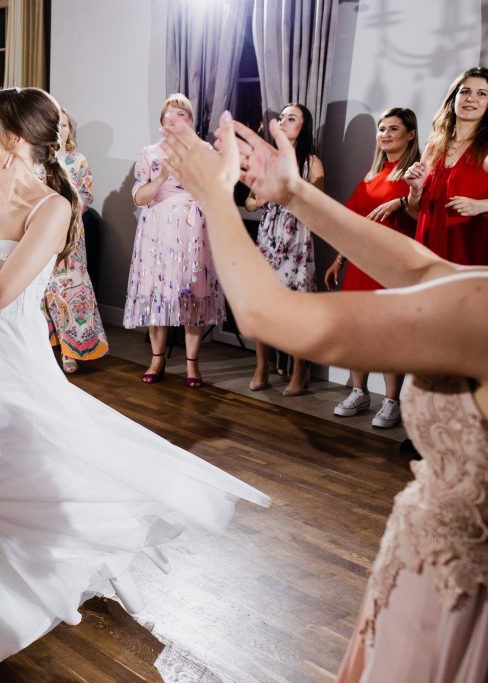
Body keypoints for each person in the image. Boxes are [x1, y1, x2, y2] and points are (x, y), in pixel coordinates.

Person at [0, 87, 270, 668]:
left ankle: (65, 562)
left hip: (9, 355)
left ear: (14, 139)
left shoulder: (51, 209)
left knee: (6, 478)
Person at [161, 107, 488, 683]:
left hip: (459, 604)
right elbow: (424, 270)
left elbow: (270, 315)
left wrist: (214, 196)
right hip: (429, 568)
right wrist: (294, 194)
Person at [324, 108, 420, 428]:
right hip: (360, 265)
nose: (385, 134)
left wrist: (403, 203)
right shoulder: (372, 175)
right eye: (382, 129)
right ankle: (359, 392)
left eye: (394, 129)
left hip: (393, 267)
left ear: (410, 134)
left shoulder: (416, 174)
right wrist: (339, 259)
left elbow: (424, 217)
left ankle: (391, 400)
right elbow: (354, 223)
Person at [124, 95, 223, 386]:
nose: (175, 118)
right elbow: (139, 198)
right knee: (156, 293)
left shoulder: (204, 151)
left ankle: (192, 364)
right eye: (170, 114)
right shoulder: (150, 153)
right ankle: (157, 359)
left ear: (190, 120)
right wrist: (161, 177)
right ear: (162, 121)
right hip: (157, 229)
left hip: (192, 229)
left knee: (193, 294)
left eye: (182, 114)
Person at [244, 103, 325, 395]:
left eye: (291, 118)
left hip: (297, 238)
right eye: (281, 118)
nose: (283, 122)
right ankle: (261, 367)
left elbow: (319, 206)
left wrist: (294, 190)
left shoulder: (312, 163)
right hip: (270, 236)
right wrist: (259, 200)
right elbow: (249, 202)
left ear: (304, 127)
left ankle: (300, 370)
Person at [40, 106, 108, 374]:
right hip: (40, 232)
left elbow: (85, 196)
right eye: (56, 125)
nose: (60, 130)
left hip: (70, 234)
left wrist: (63, 214)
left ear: (70, 131)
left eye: (64, 125)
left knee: (69, 289)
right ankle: (43, 348)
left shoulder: (78, 161)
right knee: (42, 289)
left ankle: (69, 351)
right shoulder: (37, 162)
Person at [404, 67, 488, 266]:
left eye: (482, 93)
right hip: (428, 253)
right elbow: (416, 207)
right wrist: (415, 189)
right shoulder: (434, 146)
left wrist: (481, 206)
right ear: (454, 98)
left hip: (469, 259)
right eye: (465, 91)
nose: (471, 98)